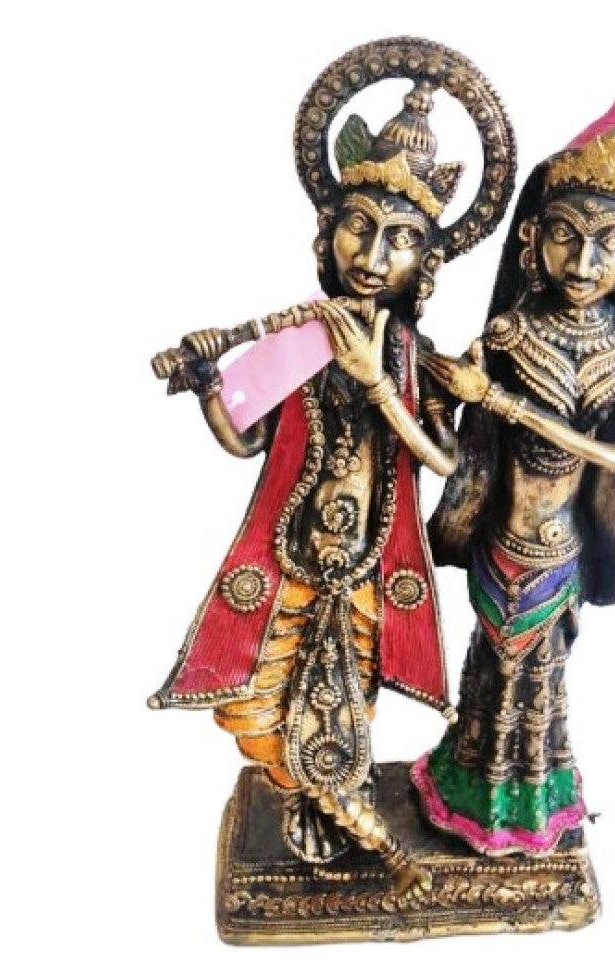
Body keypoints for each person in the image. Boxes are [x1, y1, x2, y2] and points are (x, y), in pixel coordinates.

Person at [148, 57, 515, 897]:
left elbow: (446, 461)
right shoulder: (300, 341)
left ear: (427, 262)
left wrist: (380, 384)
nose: (372, 255)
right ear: (327, 236)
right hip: (289, 554)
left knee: (351, 691)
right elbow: (244, 440)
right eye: (358, 228)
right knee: (264, 694)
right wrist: (206, 385)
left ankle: (346, 810)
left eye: (399, 239)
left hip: (369, 568)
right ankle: (314, 802)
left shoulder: (413, 359)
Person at [412, 99, 615, 855]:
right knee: (489, 675)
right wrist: (439, 397)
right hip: (501, 540)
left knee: (541, 683)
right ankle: (468, 791)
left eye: (608, 244)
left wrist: (497, 400)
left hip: (561, 549)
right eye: (565, 236)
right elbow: (455, 438)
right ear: (532, 240)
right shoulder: (510, 332)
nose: (583, 264)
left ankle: (528, 807)